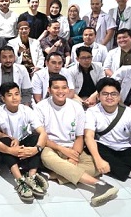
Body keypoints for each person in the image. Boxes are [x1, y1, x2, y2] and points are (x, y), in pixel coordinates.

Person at [35, 74, 119, 206]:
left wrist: (74, 156)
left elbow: (80, 137)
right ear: (49, 90)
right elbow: (42, 136)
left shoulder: (76, 107)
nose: (60, 91)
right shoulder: (40, 107)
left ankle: (50, 175)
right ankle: (100, 184)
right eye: (56, 88)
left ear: (68, 89)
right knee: (46, 157)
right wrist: (62, 149)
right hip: (51, 147)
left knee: (96, 167)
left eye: (64, 88)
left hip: (73, 147)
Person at [83, 77, 131, 190]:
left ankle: (118, 169)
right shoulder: (92, 112)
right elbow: (89, 136)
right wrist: (98, 160)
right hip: (105, 148)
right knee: (90, 148)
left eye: (113, 94)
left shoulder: (129, 113)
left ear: (119, 96)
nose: (109, 97)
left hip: (125, 149)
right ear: (98, 96)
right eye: (105, 94)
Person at [0, 82, 49, 203]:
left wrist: (36, 149)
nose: (14, 98)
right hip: (10, 147)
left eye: (17, 94)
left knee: (35, 138)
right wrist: (11, 151)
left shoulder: (27, 110)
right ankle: (20, 181)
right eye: (10, 95)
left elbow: (43, 133)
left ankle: (31, 177)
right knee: (5, 141)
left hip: (24, 144)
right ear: (3, 98)